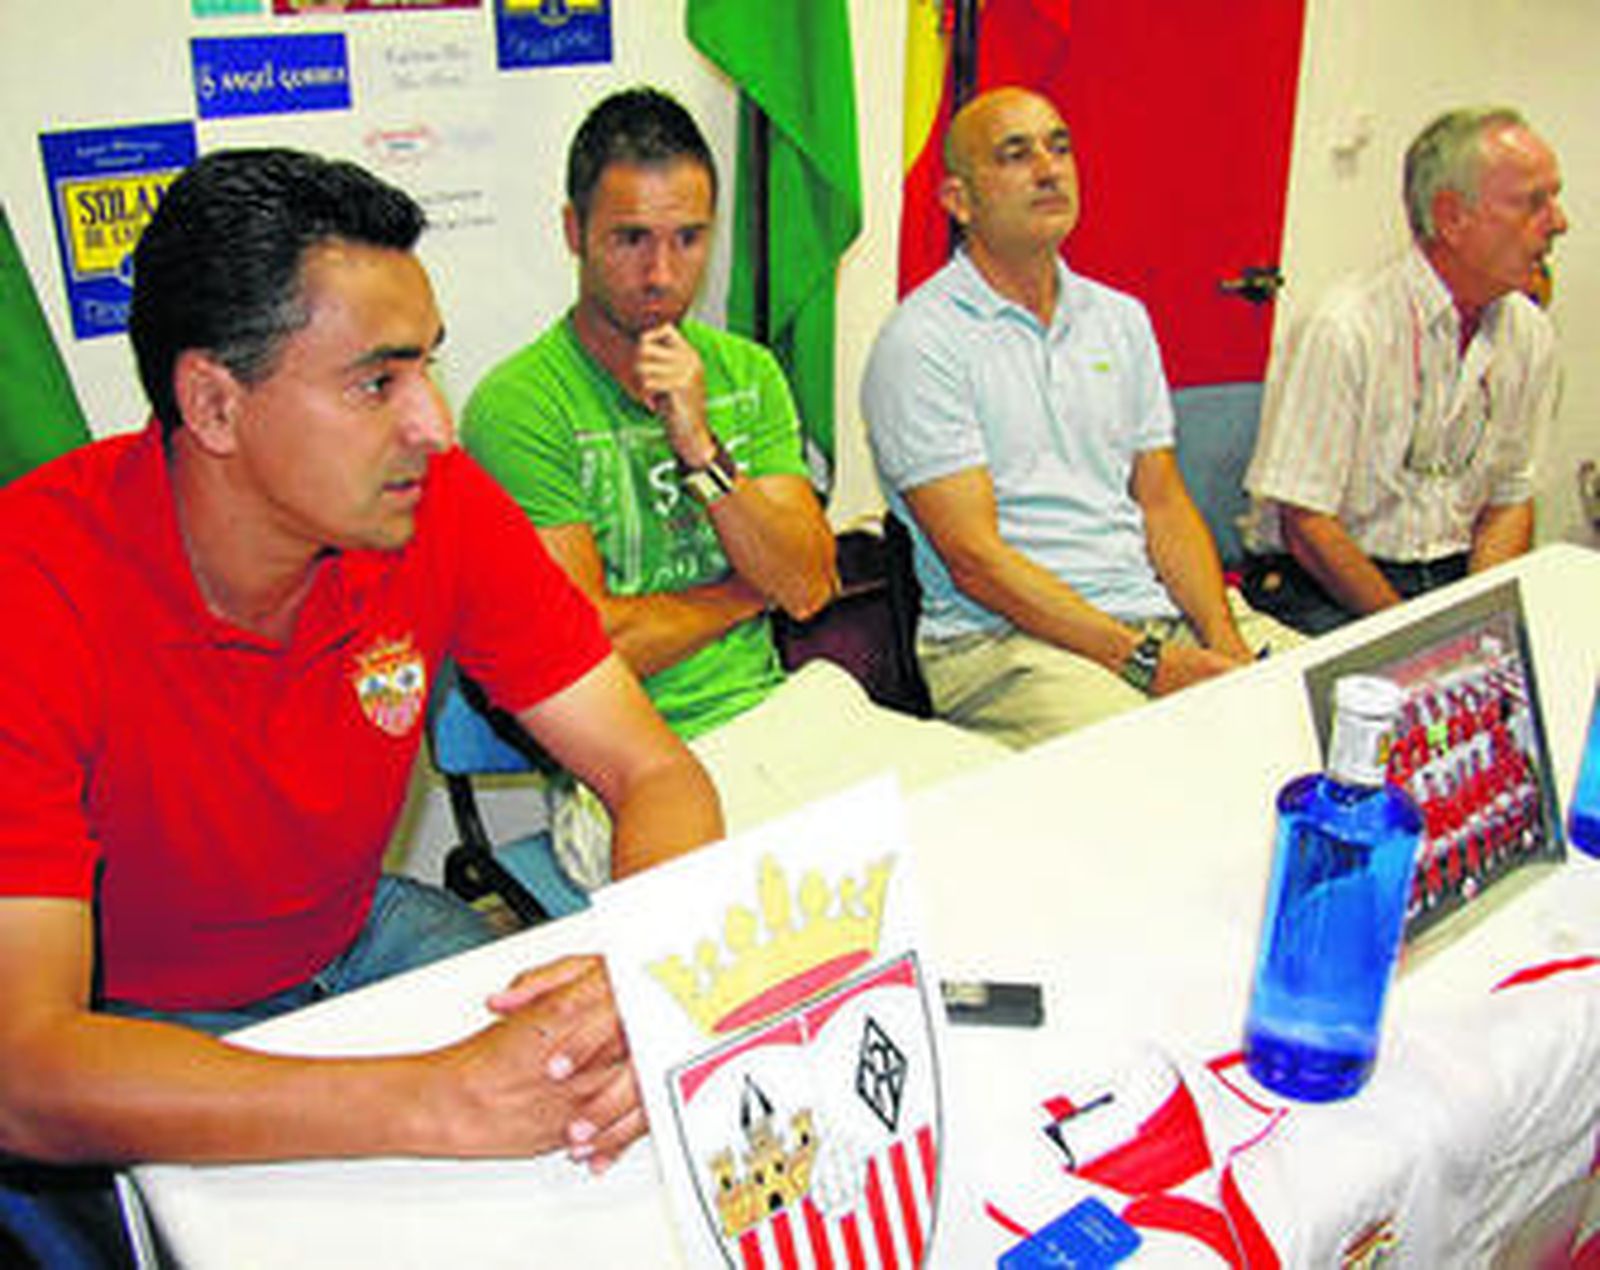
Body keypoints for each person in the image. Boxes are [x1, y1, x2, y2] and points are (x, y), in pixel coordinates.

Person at [0, 148, 722, 1261]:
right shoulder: (34, 583)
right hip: (136, 1012)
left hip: (358, 931)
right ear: (214, 403)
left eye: (429, 365)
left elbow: (653, 769)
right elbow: (23, 1067)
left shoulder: (439, 505)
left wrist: (642, 965)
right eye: (378, 383)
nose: (436, 423)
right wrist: (439, 1100)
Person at [463, 87, 1004, 884]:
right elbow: (594, 651)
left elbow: (808, 584)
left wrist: (700, 447)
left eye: (688, 239)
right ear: (574, 231)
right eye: (630, 239)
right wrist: (748, 593)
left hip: (784, 716)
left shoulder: (745, 372)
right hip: (631, 770)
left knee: (997, 804)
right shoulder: (518, 406)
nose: (661, 273)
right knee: (841, 891)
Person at [861, 86, 1296, 750]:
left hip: (1152, 613)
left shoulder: (1120, 319)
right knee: (1161, 763)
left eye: (1059, 147)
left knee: (1320, 706)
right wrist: (1147, 662)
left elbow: (1162, 502)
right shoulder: (921, 343)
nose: (1048, 169)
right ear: (958, 200)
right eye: (1015, 154)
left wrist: (1223, 639)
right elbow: (975, 562)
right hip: (1004, 643)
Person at [1242, 106, 1566, 634]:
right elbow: (1306, 524)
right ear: (1451, 217)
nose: (1559, 223)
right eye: (1533, 203)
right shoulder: (1344, 326)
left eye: (1554, 199)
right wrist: (1416, 639)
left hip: (1453, 575)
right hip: (1327, 579)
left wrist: (1481, 623)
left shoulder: (1530, 334)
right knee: (1398, 681)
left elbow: (1508, 502)